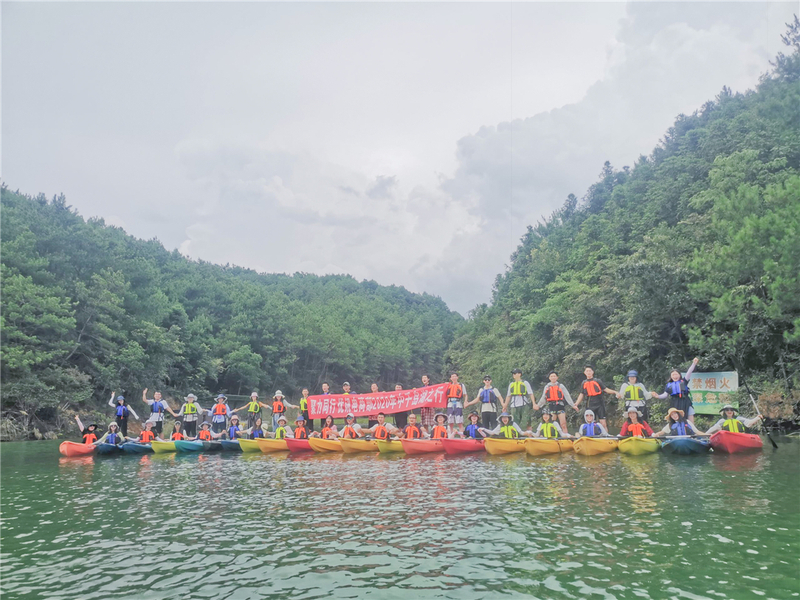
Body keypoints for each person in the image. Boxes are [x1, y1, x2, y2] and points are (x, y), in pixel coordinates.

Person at [651, 358, 700, 423]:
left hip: (685, 401)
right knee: (676, 417)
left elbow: (689, 372)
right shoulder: (669, 385)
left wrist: (694, 364)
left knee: (690, 413)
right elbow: (665, 395)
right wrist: (658, 396)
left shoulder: (684, 381)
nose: (675, 376)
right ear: (671, 377)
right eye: (673, 375)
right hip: (675, 402)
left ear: (679, 375)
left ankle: (692, 430)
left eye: (676, 374)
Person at [574, 366, 617, 432]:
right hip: (590, 404)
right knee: (590, 422)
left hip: (599, 403)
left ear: (592, 372)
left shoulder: (597, 381)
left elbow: (606, 389)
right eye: (587, 371)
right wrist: (576, 403)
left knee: (603, 423)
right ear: (585, 373)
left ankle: (606, 436)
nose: (588, 372)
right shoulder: (584, 383)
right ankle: (592, 436)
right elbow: (581, 394)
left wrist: (615, 392)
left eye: (590, 371)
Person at [535, 371, 576, 436]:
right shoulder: (547, 387)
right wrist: (538, 405)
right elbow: (544, 397)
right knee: (552, 424)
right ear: (549, 378)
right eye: (551, 376)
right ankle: (552, 436)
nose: (553, 377)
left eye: (554, 376)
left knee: (563, 424)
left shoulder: (561, 386)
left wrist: (573, 405)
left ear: (557, 377)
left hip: (560, 406)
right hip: (552, 407)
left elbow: (567, 395)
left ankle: (566, 437)